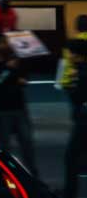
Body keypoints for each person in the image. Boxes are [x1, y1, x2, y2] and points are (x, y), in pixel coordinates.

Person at [0, 39, 35, 176]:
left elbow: (23, 79)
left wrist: (18, 76)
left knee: (26, 144)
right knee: (6, 144)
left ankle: (32, 174)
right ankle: (6, 174)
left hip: (16, 106)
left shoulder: (15, 62)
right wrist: (10, 70)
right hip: (4, 108)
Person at [62, 39, 87, 198]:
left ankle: (70, 193)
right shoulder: (80, 70)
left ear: (77, 55)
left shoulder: (82, 73)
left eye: (70, 52)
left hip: (84, 121)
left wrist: (71, 85)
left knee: (71, 157)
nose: (68, 55)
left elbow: (78, 97)